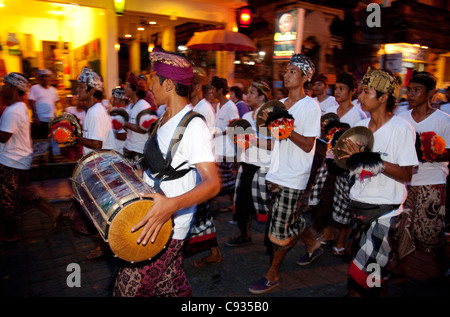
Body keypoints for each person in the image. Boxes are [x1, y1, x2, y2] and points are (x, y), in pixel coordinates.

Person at [113, 49, 220, 297]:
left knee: (127, 290)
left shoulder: (193, 125)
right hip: (154, 218)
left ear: (169, 84)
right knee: (169, 286)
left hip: (167, 227)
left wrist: (171, 205)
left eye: (153, 80)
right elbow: (158, 164)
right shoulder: (164, 118)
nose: (149, 86)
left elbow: (212, 184)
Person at [337, 67, 418, 297]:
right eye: (361, 92)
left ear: (383, 98)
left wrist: (375, 161)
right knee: (369, 280)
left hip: (383, 215)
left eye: (366, 92)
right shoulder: (360, 129)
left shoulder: (400, 128)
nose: (360, 97)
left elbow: (406, 174)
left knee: (364, 284)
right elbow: (352, 167)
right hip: (360, 210)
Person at [248, 54, 322, 294]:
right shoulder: (279, 106)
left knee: (279, 230)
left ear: (304, 78)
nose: (286, 74)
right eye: (286, 70)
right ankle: (313, 243)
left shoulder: (310, 106)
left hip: (295, 175)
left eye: (292, 71)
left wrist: (285, 129)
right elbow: (274, 144)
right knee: (287, 218)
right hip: (277, 172)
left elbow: (309, 144)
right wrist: (251, 141)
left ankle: (272, 275)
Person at [308, 72, 367, 256]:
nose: (338, 92)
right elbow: (323, 135)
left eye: (342, 88)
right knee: (321, 200)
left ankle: (341, 240)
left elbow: (360, 144)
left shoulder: (358, 115)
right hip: (328, 161)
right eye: (336, 88)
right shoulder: (331, 110)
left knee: (343, 204)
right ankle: (326, 233)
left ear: (352, 91)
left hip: (346, 166)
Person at [0, 72, 61, 242]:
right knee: (16, 196)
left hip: (12, 160)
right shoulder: (17, 108)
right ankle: (51, 213)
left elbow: (4, 136)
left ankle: (13, 233)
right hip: (15, 158)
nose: (2, 88)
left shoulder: (13, 110)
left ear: (13, 88)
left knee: (12, 198)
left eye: (5, 85)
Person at [398, 71, 450, 257]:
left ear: (430, 94)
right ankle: (400, 267)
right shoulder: (401, 118)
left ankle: (441, 267)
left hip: (432, 182)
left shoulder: (443, 120)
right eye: (410, 90)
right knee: (401, 229)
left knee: (431, 232)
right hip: (404, 182)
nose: (411, 94)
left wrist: (430, 152)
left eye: (417, 90)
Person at [226, 80, 272, 247]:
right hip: (247, 163)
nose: (248, 96)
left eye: (252, 92)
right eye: (249, 92)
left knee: (265, 203)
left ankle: (271, 238)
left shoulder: (268, 117)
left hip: (263, 166)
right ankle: (244, 235)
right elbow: (240, 142)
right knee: (242, 202)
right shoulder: (245, 117)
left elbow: (273, 144)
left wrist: (251, 140)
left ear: (262, 97)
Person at [183, 67, 222, 267]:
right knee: (200, 214)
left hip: (201, 167)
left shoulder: (204, 109)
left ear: (198, 87)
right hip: (194, 166)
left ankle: (213, 252)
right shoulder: (193, 107)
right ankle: (214, 252)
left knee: (199, 212)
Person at [211, 76, 239, 212]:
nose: (211, 92)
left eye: (213, 89)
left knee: (226, 179)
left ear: (220, 90)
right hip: (218, 149)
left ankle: (234, 205)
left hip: (227, 150)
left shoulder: (230, 107)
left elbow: (235, 128)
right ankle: (233, 204)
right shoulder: (218, 105)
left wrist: (218, 133)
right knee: (225, 178)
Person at [76, 67, 116, 155]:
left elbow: (97, 144)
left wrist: (74, 137)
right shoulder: (91, 110)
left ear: (92, 90)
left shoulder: (96, 112)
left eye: (81, 87)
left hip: (101, 166)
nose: (77, 90)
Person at [28, 69, 61, 162]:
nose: (46, 79)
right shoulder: (35, 88)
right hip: (40, 119)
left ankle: (52, 157)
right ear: (40, 78)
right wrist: (35, 117)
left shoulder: (53, 90)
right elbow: (32, 104)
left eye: (47, 76)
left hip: (51, 118)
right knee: (41, 139)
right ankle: (41, 158)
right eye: (44, 76)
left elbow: (56, 104)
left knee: (52, 139)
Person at [123, 73, 153, 167]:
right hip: (130, 150)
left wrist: (124, 123)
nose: (125, 88)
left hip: (140, 152)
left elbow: (143, 129)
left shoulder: (143, 105)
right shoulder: (130, 106)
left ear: (135, 90)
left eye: (128, 86)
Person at [63, 95, 85, 161]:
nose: (81, 102)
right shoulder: (70, 109)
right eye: (79, 100)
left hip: (81, 137)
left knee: (80, 155)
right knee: (71, 155)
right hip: (71, 136)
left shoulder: (86, 112)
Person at [110, 87, 128, 155]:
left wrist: (108, 134)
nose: (112, 101)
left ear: (122, 102)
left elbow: (123, 136)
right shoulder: (116, 111)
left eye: (114, 99)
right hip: (115, 150)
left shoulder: (121, 113)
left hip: (119, 151)